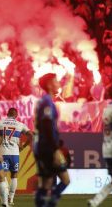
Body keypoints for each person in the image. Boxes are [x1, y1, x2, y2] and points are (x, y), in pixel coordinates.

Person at [34, 73, 70, 207]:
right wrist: (55, 149)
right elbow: (46, 125)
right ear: (49, 84)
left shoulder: (44, 101)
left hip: (43, 146)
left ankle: (45, 204)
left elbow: (40, 124)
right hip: (47, 148)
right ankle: (49, 204)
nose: (58, 83)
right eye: (56, 80)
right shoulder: (47, 102)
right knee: (63, 180)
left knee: (46, 183)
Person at [0, 108, 32, 205]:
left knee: (2, 176)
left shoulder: (1, 123)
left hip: (3, 152)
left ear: (7, 113)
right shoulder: (20, 125)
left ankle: (5, 196)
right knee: (14, 175)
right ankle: (11, 199)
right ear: (16, 115)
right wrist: (24, 146)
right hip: (15, 154)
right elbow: (31, 136)